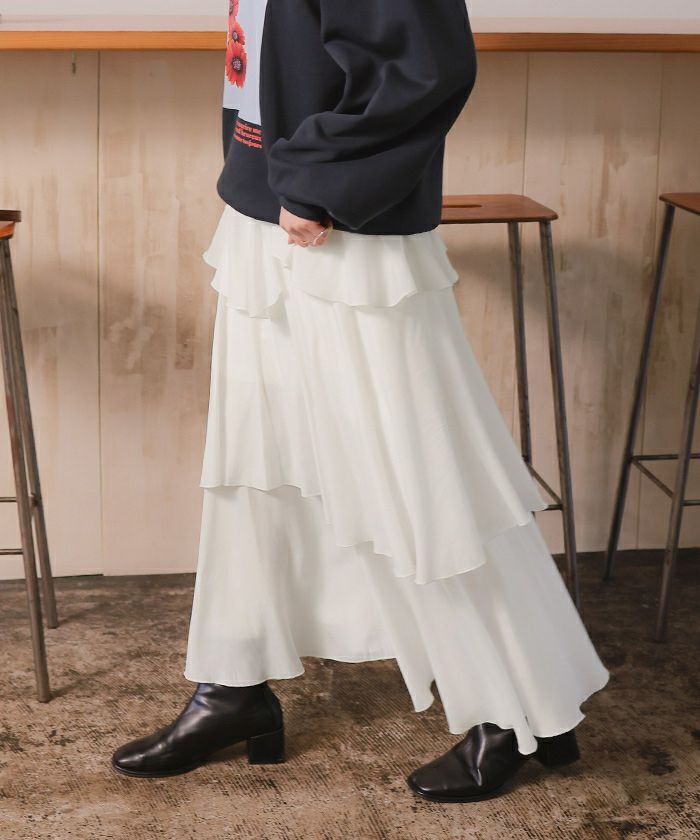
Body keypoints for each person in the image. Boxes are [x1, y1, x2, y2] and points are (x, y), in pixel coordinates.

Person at [111, 0, 609, 803]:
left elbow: (427, 66)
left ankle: (522, 705)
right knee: (254, 466)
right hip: (264, 212)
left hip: (340, 230)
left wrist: (320, 181)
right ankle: (233, 683)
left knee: (422, 477)